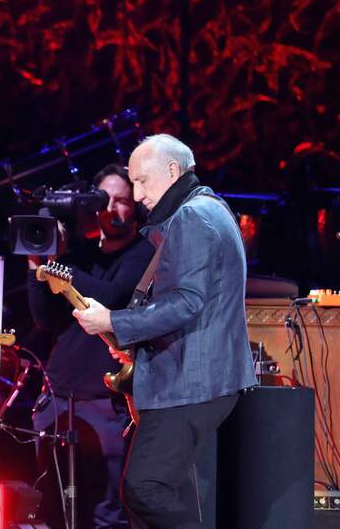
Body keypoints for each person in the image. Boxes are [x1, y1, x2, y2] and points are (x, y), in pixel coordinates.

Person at [74, 134, 256, 528]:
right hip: (199, 380)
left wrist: (113, 322)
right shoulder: (209, 209)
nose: (137, 195)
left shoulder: (193, 217)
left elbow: (187, 302)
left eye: (142, 181)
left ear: (173, 171)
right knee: (160, 494)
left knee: (144, 489)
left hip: (190, 383)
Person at [26, 164, 155, 529]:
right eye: (104, 200)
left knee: (105, 512)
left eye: (122, 201)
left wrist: (58, 266)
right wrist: (36, 268)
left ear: (136, 206)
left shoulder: (143, 253)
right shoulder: (78, 255)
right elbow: (45, 320)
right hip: (58, 396)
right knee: (55, 506)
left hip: (104, 401)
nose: (112, 209)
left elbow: (112, 296)